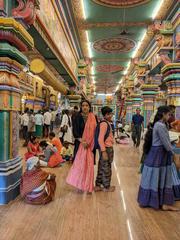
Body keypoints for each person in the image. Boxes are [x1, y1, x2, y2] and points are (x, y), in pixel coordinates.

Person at [137, 106, 180, 211]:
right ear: (163, 114)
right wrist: (174, 154)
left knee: (158, 177)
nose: (170, 116)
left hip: (159, 154)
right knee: (160, 177)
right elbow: (165, 143)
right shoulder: (160, 125)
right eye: (169, 114)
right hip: (159, 154)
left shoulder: (161, 124)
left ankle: (159, 202)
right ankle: (162, 203)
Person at [66, 100, 97, 193]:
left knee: (89, 165)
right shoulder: (76, 117)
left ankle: (88, 185)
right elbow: (75, 131)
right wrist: (82, 141)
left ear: (89, 107)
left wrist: (90, 142)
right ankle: (79, 184)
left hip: (90, 145)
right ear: (81, 107)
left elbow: (96, 131)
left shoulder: (93, 117)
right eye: (83, 105)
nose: (85, 107)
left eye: (87, 105)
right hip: (80, 144)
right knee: (80, 165)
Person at [95, 106, 115, 192]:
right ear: (106, 115)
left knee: (102, 166)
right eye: (110, 114)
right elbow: (100, 139)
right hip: (106, 148)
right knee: (106, 167)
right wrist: (103, 151)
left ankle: (98, 185)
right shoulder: (104, 124)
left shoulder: (106, 123)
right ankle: (107, 187)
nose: (111, 115)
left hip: (106, 148)